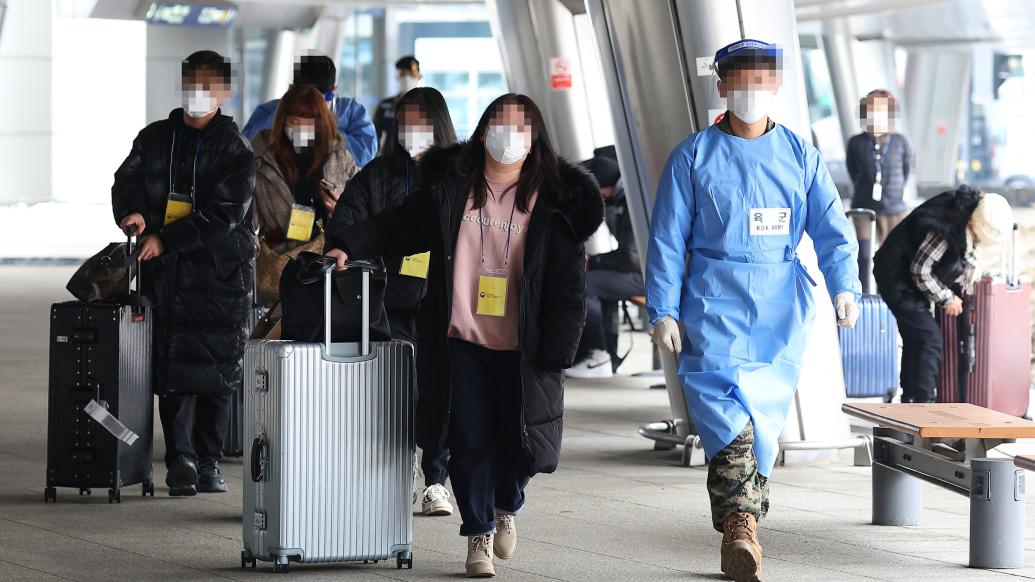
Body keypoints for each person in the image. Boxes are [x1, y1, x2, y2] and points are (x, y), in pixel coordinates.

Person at [324, 93, 603, 578]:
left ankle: (506, 506)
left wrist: (558, 352)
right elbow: (397, 226)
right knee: (469, 437)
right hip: (461, 340)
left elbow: (569, 289)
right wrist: (348, 244)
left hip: (524, 348)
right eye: (499, 123)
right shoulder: (452, 189)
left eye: (519, 127)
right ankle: (477, 532)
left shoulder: (554, 204)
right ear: (482, 130)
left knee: (520, 448)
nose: (507, 135)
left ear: (535, 137)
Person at [645, 39, 861, 582]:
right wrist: (663, 309)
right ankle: (741, 528)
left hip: (777, 312)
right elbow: (667, 240)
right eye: (738, 79)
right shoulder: (692, 156)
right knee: (729, 423)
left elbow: (833, 232)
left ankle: (745, 521)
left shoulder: (800, 155)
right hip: (711, 306)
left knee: (762, 424)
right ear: (720, 85)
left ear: (778, 84)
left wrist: (845, 287)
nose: (750, 90)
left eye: (761, 79)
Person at [111, 50, 256, 497]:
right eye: (192, 82)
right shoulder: (155, 138)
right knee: (171, 369)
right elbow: (127, 179)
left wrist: (166, 239)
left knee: (216, 371)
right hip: (168, 278)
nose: (199, 93)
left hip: (220, 278)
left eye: (209, 85)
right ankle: (180, 460)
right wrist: (131, 212)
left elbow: (226, 214)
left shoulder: (236, 150)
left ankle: (209, 461)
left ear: (224, 92)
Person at [325, 87, 457, 517]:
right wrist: (350, 249)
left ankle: (437, 478)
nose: (412, 132)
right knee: (402, 390)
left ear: (438, 124)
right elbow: (347, 222)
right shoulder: (377, 174)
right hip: (388, 304)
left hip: (443, 301)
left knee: (441, 391)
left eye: (421, 123)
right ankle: (403, 471)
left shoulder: (456, 177)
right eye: (405, 123)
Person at [874, 186, 1011, 403]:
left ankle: (911, 400)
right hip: (895, 276)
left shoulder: (968, 209)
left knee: (916, 338)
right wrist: (947, 298)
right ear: (974, 225)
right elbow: (920, 271)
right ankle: (924, 403)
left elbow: (961, 253)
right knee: (928, 338)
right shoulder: (944, 231)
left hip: (903, 273)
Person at [251, 84, 358, 307]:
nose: (302, 129)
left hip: (329, 263)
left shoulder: (338, 156)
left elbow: (361, 209)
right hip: (279, 263)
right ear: (283, 121)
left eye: (310, 123)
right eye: (295, 122)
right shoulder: (262, 159)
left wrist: (341, 211)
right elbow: (247, 221)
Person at [567, 154, 645, 378]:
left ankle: (598, 354)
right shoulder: (626, 198)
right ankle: (607, 356)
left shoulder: (630, 203)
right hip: (642, 272)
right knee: (601, 286)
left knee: (586, 284)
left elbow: (631, 257)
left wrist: (594, 261)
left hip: (645, 275)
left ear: (607, 186)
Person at [242, 53, 377, 167]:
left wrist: (325, 131)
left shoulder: (350, 110)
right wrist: (282, 114)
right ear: (291, 90)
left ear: (334, 91)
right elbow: (246, 147)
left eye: (321, 98)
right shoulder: (269, 111)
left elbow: (366, 154)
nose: (312, 104)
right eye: (304, 97)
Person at [846, 89, 914, 290]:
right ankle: (864, 295)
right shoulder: (856, 142)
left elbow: (906, 170)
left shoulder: (901, 141)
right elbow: (854, 171)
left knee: (892, 258)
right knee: (864, 256)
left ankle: (891, 295)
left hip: (894, 210)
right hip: (864, 210)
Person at [373, 56, 422, 152]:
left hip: (420, 162)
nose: (407, 78)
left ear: (419, 77)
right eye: (403, 74)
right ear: (398, 77)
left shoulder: (427, 104)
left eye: (411, 74)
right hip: (389, 159)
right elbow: (375, 135)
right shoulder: (386, 105)